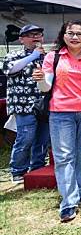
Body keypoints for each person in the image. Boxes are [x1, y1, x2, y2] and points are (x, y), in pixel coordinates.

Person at [33, 21, 81, 223]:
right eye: (71, 33)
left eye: (80, 33)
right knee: (64, 156)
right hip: (61, 112)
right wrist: (40, 79)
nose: (75, 37)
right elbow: (45, 88)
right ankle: (69, 202)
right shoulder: (53, 58)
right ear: (63, 35)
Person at [1, 24, 49, 184]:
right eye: (31, 34)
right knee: (26, 138)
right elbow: (11, 70)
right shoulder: (12, 56)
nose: (36, 37)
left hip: (44, 105)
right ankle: (18, 171)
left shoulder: (47, 57)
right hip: (23, 105)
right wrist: (33, 56)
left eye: (39, 34)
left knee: (42, 139)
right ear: (21, 39)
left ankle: (37, 168)